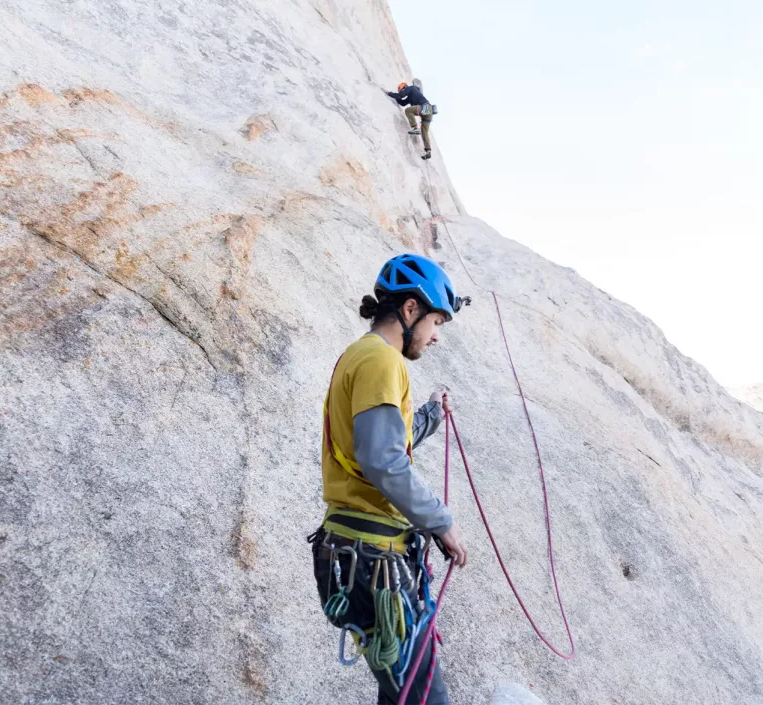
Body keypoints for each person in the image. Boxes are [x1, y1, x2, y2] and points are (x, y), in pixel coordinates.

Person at [309, 253, 468, 705]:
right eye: (436, 321)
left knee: (400, 692)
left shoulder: (361, 356)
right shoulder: (383, 361)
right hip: (374, 558)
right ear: (411, 310)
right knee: (422, 699)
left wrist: (432, 415)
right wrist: (441, 522)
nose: (436, 337)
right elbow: (383, 461)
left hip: (358, 552)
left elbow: (382, 443)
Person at [387, 79, 434, 160]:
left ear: (404, 87)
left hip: (425, 108)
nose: (402, 91)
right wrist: (397, 98)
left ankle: (415, 128)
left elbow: (401, 95)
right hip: (428, 113)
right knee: (424, 132)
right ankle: (428, 151)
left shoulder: (411, 88)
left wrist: (389, 93)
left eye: (402, 90)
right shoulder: (411, 95)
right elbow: (403, 103)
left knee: (408, 110)